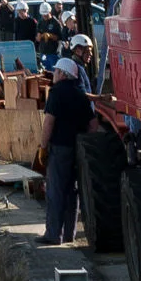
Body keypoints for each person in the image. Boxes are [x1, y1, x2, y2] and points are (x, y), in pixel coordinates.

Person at [39, 57, 98, 244]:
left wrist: (42, 147)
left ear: (63, 74)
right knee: (72, 193)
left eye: (56, 71)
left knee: (56, 191)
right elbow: (94, 123)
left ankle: (53, 234)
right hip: (77, 149)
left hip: (60, 148)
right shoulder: (81, 94)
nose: (53, 74)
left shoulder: (56, 93)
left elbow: (49, 122)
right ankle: (68, 236)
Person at [35, 5, 62, 70]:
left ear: (50, 12)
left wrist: (50, 36)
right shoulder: (40, 22)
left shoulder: (56, 23)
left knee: (54, 72)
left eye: (46, 14)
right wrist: (39, 36)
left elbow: (60, 37)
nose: (44, 16)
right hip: (43, 52)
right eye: (43, 14)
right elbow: (37, 37)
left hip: (53, 53)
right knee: (45, 72)